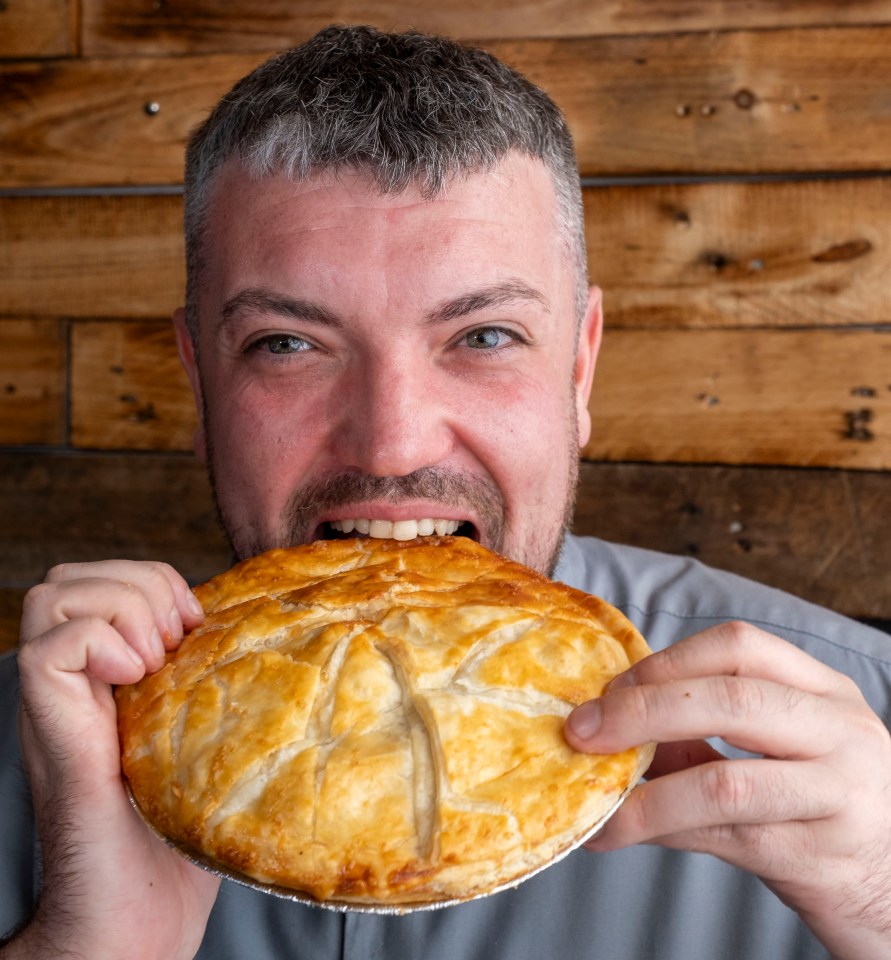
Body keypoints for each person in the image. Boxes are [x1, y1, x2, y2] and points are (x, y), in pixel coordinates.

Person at [2, 24, 890, 960]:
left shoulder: (863, 744)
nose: (392, 441)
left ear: (579, 369)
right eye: (288, 343)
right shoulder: (47, 748)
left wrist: (877, 906)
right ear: (199, 380)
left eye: (485, 336)